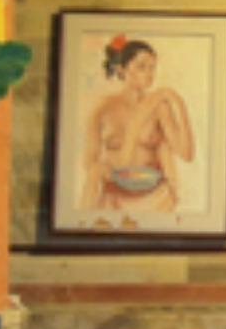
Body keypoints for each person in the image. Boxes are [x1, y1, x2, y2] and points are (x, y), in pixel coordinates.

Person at [80, 34, 196, 228]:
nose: (149, 73)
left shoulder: (159, 107)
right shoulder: (103, 109)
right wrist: (106, 172)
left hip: (154, 197)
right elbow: (89, 162)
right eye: (141, 67)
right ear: (121, 70)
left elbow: (186, 153)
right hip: (112, 195)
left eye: (152, 67)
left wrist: (177, 102)